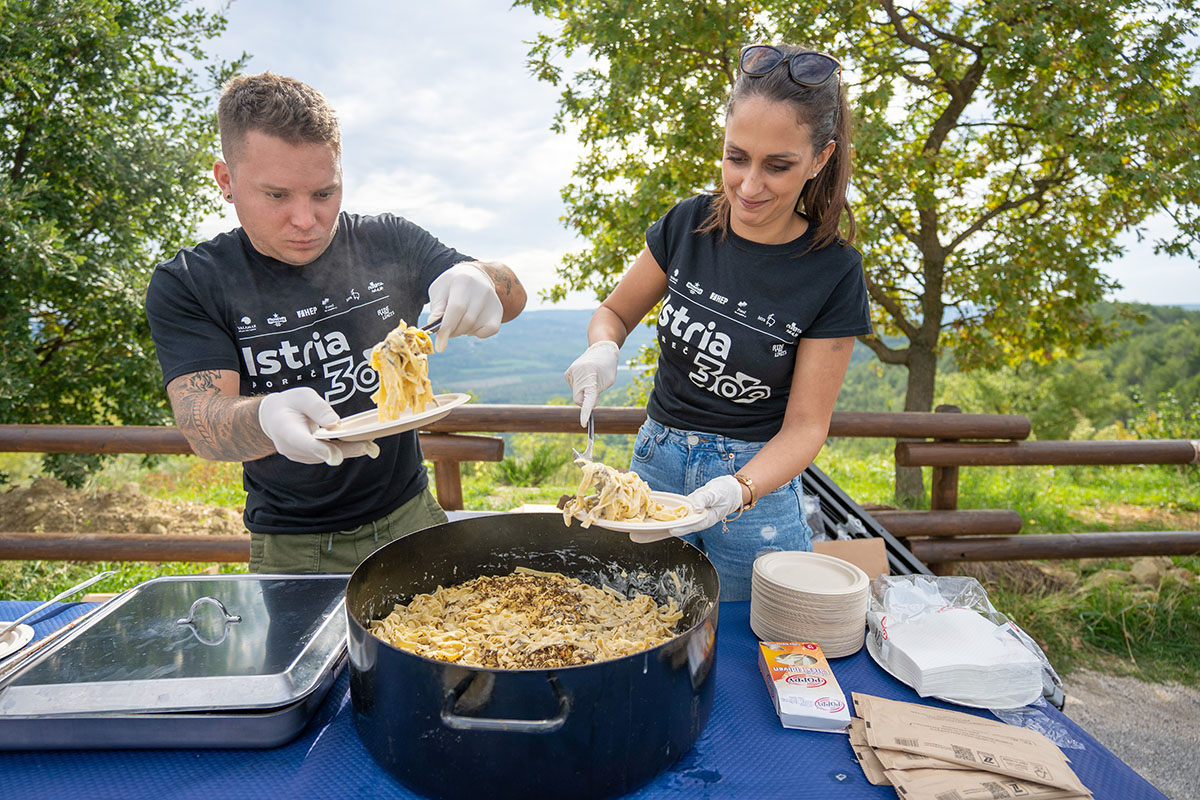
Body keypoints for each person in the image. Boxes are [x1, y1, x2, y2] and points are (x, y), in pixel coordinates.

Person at [145, 72, 526, 574]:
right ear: (226, 182)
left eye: (324, 193)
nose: (306, 220)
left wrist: (482, 275)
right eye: (277, 196)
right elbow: (202, 425)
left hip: (412, 515)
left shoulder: (386, 239)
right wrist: (266, 417)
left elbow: (513, 296)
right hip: (291, 546)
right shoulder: (192, 281)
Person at [563, 44, 871, 601]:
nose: (750, 186)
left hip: (755, 479)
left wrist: (739, 488)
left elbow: (806, 426)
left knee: (755, 633)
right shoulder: (688, 224)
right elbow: (614, 312)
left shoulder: (834, 272)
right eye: (737, 157)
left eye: (778, 166)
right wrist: (602, 347)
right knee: (634, 617)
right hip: (654, 461)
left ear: (820, 159)